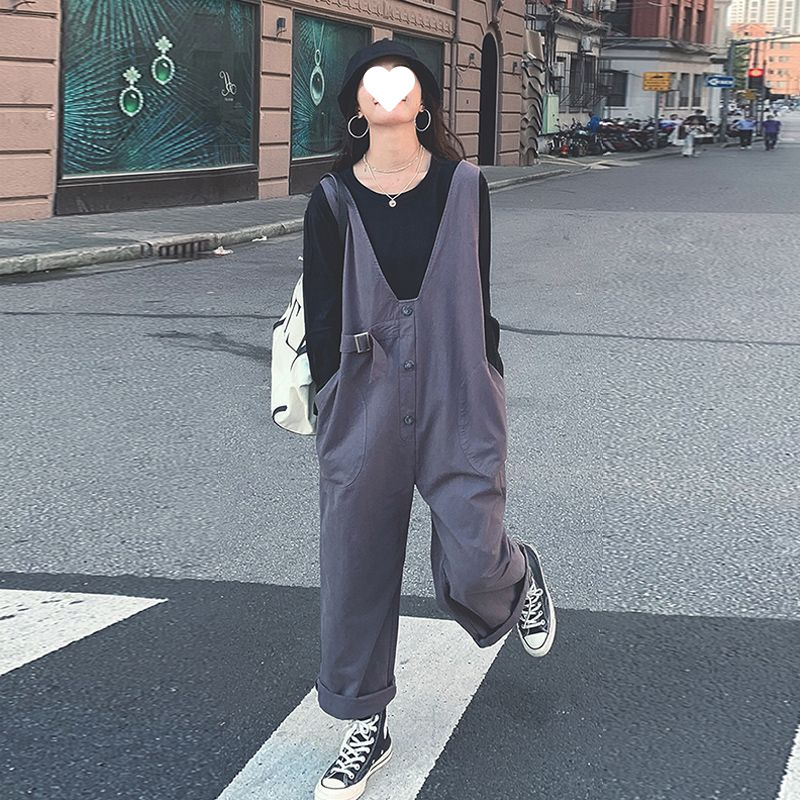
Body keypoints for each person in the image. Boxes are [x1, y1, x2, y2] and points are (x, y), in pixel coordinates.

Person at [302, 38, 556, 800]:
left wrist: (485, 371)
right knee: (355, 569)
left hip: (458, 389)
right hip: (361, 400)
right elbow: (321, 314)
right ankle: (364, 723)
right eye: (373, 83)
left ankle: (519, 574)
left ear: (424, 99)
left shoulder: (466, 186)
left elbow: (477, 289)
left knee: (476, 557)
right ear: (355, 105)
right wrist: (330, 399)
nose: (388, 92)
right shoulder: (331, 199)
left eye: (403, 80)